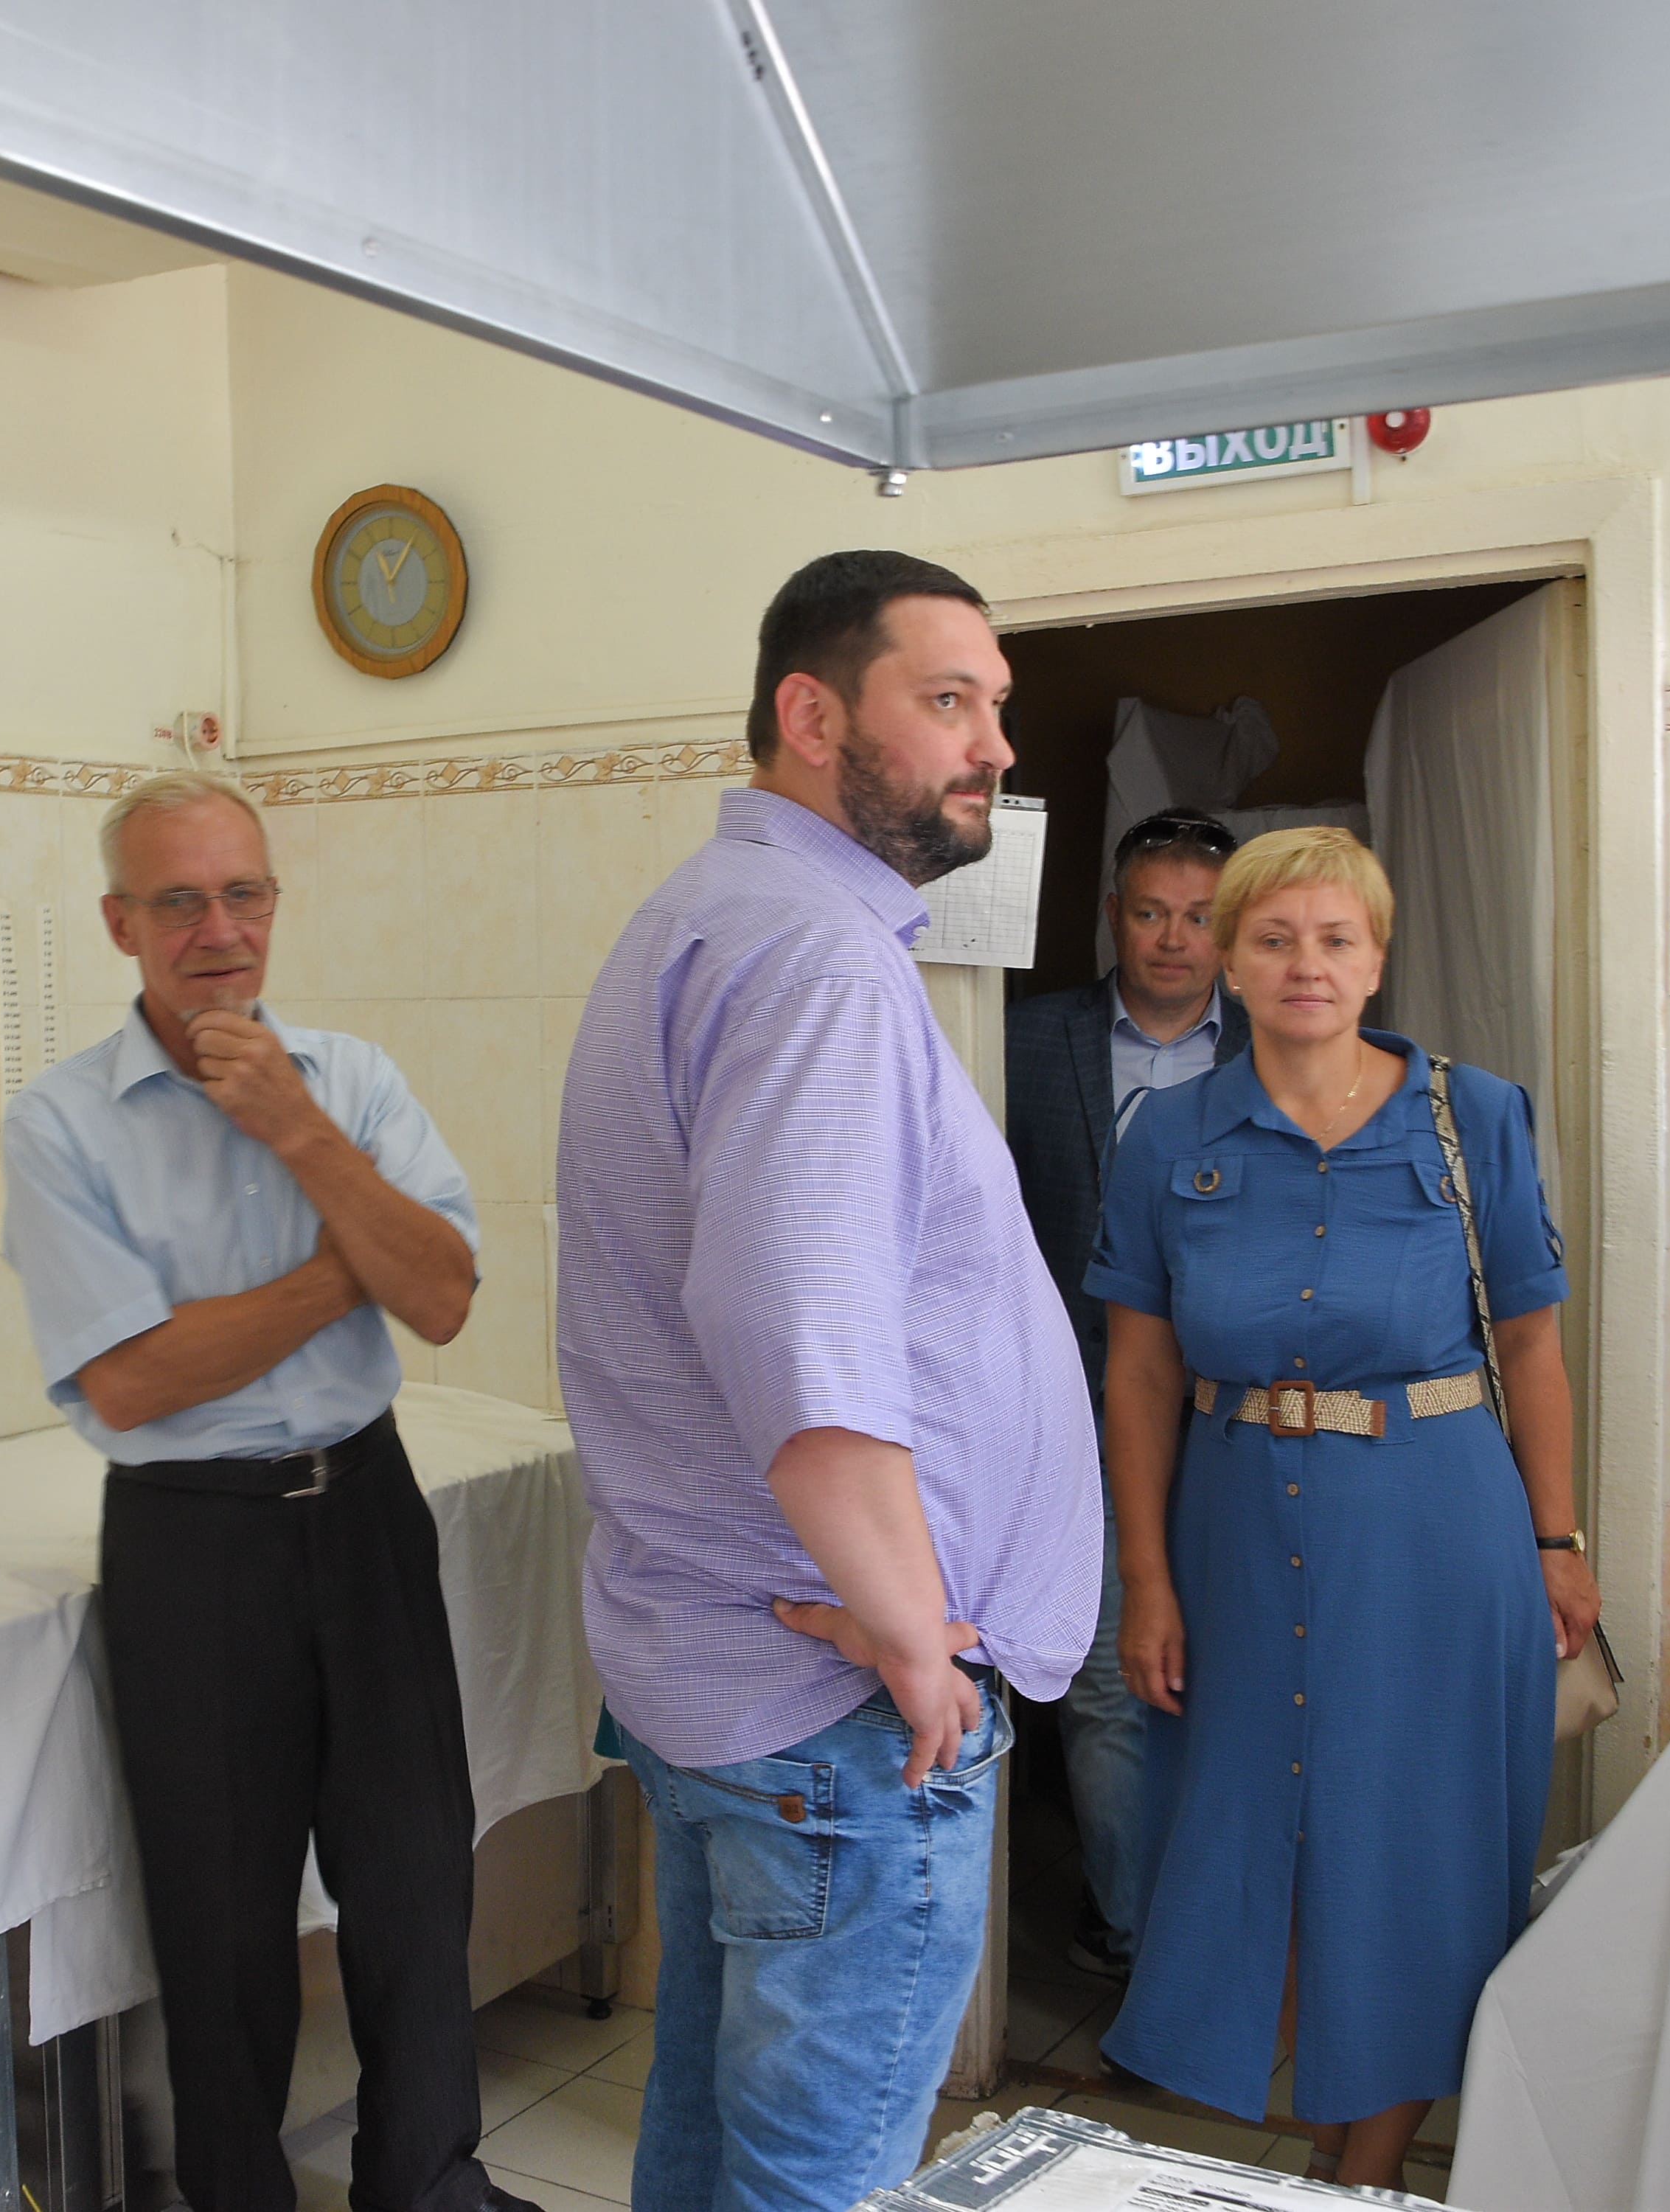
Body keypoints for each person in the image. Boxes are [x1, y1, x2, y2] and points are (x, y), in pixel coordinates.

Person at [556, 549, 1101, 2212]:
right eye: (947, 701)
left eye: (995, 705)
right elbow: (798, 1337)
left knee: (712, 2146)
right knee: (819, 2184)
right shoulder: (813, 958)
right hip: (839, 1704)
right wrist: (916, 1638)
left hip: (738, 1672)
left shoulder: (719, 914)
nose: (994, 746)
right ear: (810, 716)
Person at [0, 771, 535, 2212]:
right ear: (120, 924)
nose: (218, 930)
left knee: (414, 1881)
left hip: (365, 1510)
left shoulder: (349, 1083)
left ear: (275, 907)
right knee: (220, 1914)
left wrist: (301, 1134)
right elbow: (134, 1381)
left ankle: (428, 2187)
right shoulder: (60, 1126)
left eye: (243, 894)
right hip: (194, 1544)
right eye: (178, 901)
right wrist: (342, 1266)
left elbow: (441, 1296)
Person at [1083, 827, 1598, 2191]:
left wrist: (1556, 1541)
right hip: (1235, 1533)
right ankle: (1321, 2145)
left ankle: (1358, 2175)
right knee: (1258, 1836)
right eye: (1274, 939)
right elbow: (1140, 1372)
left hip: (1437, 1532)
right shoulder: (1170, 1134)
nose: (1305, 965)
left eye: (1335, 939)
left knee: (1418, 1850)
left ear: (1376, 960)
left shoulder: (1474, 1117)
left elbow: (1532, 1347)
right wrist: (1147, 1578)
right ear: (1230, 960)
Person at [1003, 807, 1246, 1980]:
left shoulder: (1283, 1046)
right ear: (1113, 917)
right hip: (1072, 1415)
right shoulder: (1018, 1038)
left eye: (1199, 917)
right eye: (1151, 913)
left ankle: (1233, 1929)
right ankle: (1140, 1943)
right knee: (1104, 1678)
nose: (1173, 939)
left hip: (1242, 1419)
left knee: (1237, 1673)